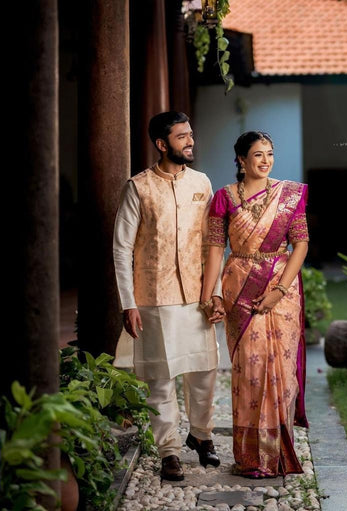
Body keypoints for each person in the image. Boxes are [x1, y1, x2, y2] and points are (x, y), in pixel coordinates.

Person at [113, 111, 224, 481]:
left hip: (198, 296)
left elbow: (214, 243)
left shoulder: (202, 183)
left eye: (191, 134)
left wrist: (217, 293)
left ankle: (202, 436)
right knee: (160, 379)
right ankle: (169, 452)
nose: (190, 141)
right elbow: (121, 247)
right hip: (154, 298)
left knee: (204, 373)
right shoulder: (139, 187)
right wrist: (128, 301)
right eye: (182, 137)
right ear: (162, 144)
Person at [200, 131, 309, 478]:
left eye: (270, 154)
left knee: (281, 369)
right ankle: (251, 457)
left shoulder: (289, 195)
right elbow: (215, 250)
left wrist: (278, 289)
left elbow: (301, 245)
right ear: (241, 160)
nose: (265, 161)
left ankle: (278, 454)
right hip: (239, 287)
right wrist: (211, 294)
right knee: (249, 369)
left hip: (282, 289)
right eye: (258, 154)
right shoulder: (224, 198)